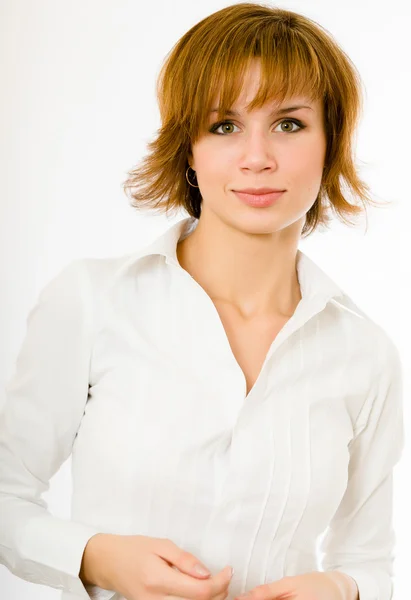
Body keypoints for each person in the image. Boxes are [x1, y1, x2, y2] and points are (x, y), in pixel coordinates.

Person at [0, 3, 404, 600]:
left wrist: (340, 589)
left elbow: (371, 560)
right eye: (224, 125)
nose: (257, 157)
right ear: (187, 148)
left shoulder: (364, 354)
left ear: (331, 143)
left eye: (289, 124)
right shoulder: (93, 301)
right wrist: (95, 558)